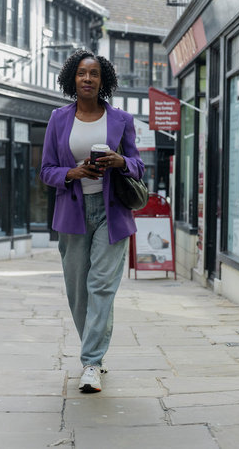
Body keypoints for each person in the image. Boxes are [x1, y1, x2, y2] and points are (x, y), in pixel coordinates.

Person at [40, 50, 144, 392]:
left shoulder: (121, 120)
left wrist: (119, 161)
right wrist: (73, 171)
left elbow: (139, 166)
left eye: (94, 74)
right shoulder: (58, 119)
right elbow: (46, 170)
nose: (88, 78)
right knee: (78, 291)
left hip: (112, 212)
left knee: (102, 286)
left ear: (103, 80)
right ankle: (94, 353)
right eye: (82, 73)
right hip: (73, 211)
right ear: (73, 78)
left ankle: (91, 362)